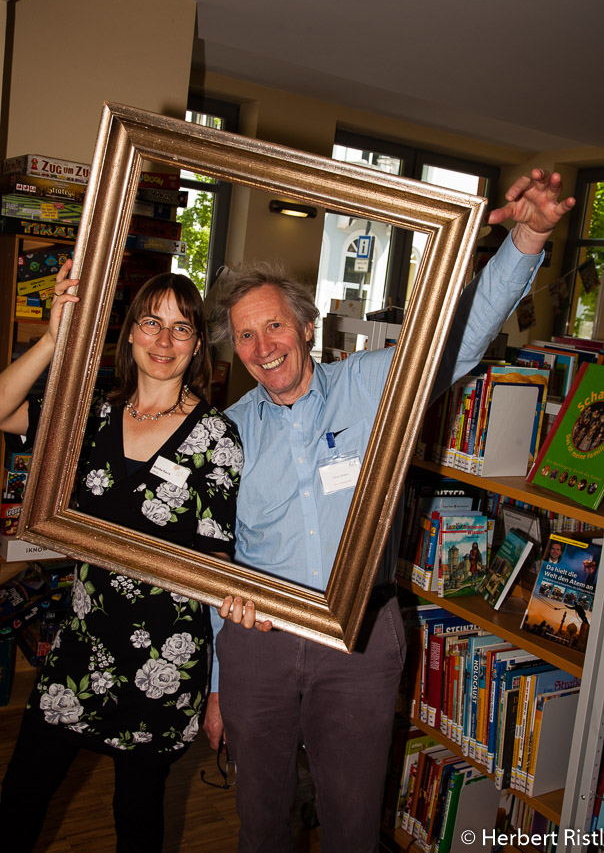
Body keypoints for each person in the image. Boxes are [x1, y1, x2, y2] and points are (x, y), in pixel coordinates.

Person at [203, 168, 575, 853]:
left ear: (306, 326)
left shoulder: (376, 385)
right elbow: (213, 556)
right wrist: (219, 686)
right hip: (258, 644)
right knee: (260, 823)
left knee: (352, 823)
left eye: (275, 326)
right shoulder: (225, 432)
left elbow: (458, 337)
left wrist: (527, 238)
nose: (263, 348)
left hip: (359, 642)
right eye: (246, 337)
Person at [0, 265, 243, 853]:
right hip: (81, 647)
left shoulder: (217, 435)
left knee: (136, 815)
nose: (163, 342)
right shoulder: (90, 417)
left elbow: (215, 551)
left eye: (181, 329)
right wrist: (56, 340)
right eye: (151, 323)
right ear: (129, 333)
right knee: (20, 800)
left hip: (164, 659)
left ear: (198, 344)